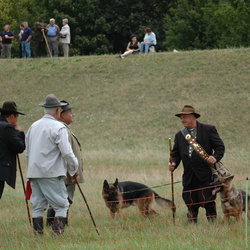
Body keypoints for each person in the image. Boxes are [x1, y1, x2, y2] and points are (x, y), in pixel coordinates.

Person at [26, 94, 79, 235]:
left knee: (37, 206)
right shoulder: (58, 127)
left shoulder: (33, 126)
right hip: (51, 172)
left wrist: (31, 170)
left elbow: (28, 152)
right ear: (57, 111)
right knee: (62, 205)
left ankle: (38, 237)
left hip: (33, 172)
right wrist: (74, 169)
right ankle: (57, 236)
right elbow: (67, 153)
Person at [168, 105, 225, 223]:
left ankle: (213, 223)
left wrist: (214, 157)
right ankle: (192, 223)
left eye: (185, 117)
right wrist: (173, 163)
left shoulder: (208, 129)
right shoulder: (180, 135)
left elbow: (220, 147)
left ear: (193, 117)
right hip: (189, 175)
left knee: (207, 200)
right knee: (190, 200)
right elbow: (176, 153)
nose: (182, 120)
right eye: (181, 118)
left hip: (205, 173)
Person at [46, 100, 84, 226]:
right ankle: (58, 224)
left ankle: (57, 223)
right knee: (63, 199)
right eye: (70, 112)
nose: (73, 115)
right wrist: (73, 170)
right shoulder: (61, 129)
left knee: (63, 199)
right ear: (62, 115)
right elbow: (66, 153)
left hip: (68, 171)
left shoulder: (63, 128)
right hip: (67, 172)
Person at [0, 101, 25, 199]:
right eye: (17, 117)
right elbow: (19, 147)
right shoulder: (6, 127)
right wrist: (19, 132)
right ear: (11, 116)